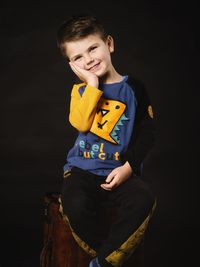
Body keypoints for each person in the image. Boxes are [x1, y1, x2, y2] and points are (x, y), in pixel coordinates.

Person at [56, 14, 156, 267]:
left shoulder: (134, 88)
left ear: (109, 44)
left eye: (93, 48)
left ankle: (101, 263)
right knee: (74, 204)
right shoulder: (80, 91)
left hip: (119, 171)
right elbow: (81, 123)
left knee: (143, 198)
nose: (88, 60)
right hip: (82, 170)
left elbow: (147, 132)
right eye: (78, 57)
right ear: (71, 64)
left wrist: (129, 167)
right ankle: (105, 255)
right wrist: (92, 84)